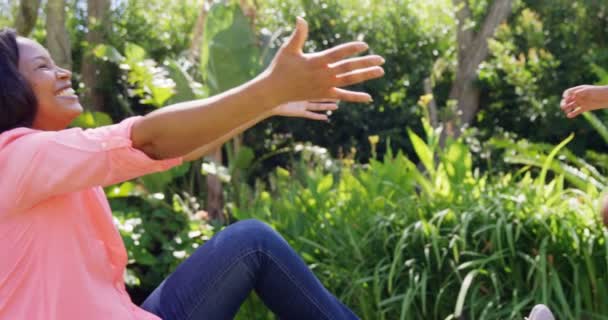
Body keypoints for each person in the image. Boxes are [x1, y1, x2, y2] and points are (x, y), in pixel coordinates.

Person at [0, 17, 385, 320]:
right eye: (43, 67)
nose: (64, 73)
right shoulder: (14, 158)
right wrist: (269, 89)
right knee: (252, 241)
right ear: (10, 87)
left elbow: (175, 150)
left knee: (251, 242)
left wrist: (264, 106)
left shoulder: (50, 164)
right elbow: (148, 140)